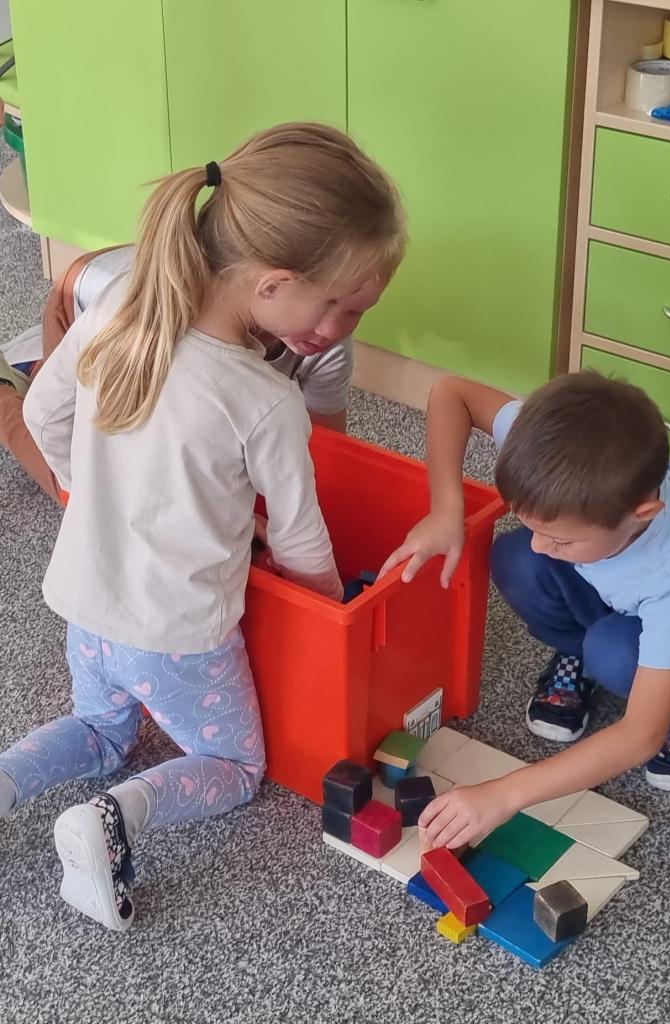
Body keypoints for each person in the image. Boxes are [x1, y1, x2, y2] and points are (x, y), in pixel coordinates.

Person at [0, 122, 405, 930]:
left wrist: (89, 492)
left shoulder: (120, 308)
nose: (342, 328)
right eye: (339, 306)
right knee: (231, 763)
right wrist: (334, 607)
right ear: (272, 284)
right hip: (178, 635)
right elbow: (301, 539)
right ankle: (113, 819)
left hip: (84, 603)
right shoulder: (266, 400)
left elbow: (41, 412)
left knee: (100, 729)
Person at [379, 372, 670, 851]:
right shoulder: (559, 454)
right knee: (516, 558)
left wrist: (503, 795)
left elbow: (639, 736)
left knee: (614, 654)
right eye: (533, 525)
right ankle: (579, 651)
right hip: (611, 591)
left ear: (641, 513)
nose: (541, 544)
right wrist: (446, 507)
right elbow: (452, 393)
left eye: (561, 539)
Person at [0, 235, 383, 501]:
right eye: (327, 305)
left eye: (355, 312)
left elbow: (324, 455)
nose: (333, 329)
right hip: (86, 297)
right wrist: (87, 496)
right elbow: (49, 419)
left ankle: (33, 363)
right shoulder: (184, 329)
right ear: (273, 286)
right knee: (95, 478)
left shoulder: (327, 343)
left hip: (144, 292)